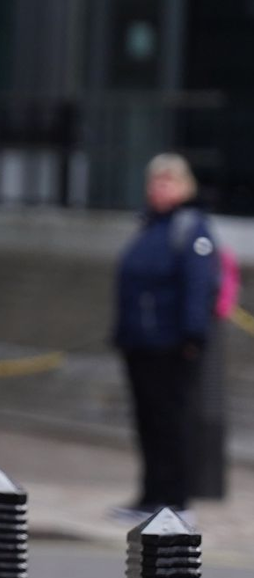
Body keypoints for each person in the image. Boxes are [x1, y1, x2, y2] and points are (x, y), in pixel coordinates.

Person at [112, 152, 219, 521]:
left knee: (170, 423)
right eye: (155, 181)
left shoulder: (189, 227)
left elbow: (198, 285)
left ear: (184, 185)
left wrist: (193, 335)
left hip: (171, 343)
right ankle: (151, 495)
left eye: (168, 181)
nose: (159, 189)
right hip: (139, 341)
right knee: (147, 422)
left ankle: (174, 500)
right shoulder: (148, 226)